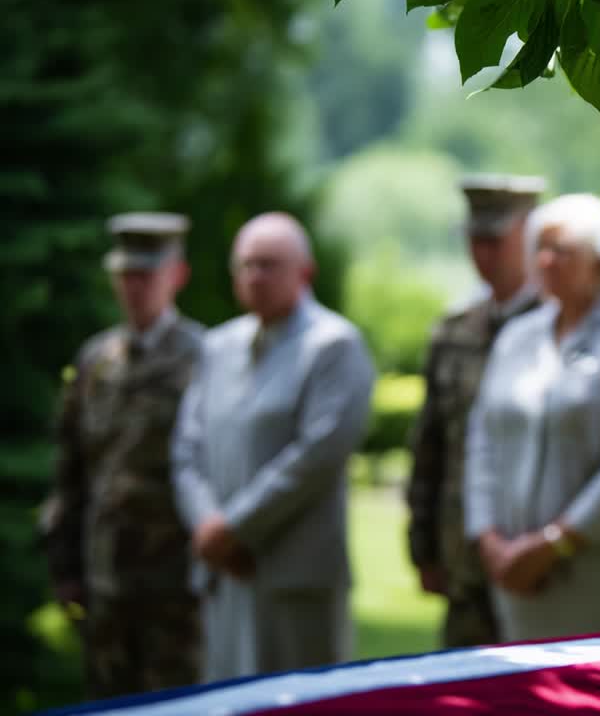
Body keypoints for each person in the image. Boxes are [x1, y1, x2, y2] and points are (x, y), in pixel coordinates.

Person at [172, 212, 374, 681]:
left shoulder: (334, 346)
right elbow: (187, 451)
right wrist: (208, 528)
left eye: (269, 264)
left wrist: (236, 528)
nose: (255, 276)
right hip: (224, 573)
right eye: (245, 265)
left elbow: (318, 456)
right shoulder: (218, 346)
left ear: (305, 272)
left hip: (293, 576)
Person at [464, 194, 600, 642]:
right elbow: (482, 441)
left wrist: (554, 544)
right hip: (514, 572)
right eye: (540, 247)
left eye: (562, 250)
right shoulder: (517, 336)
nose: (545, 260)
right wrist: (489, 541)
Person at [41, 212, 204, 698]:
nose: (134, 288)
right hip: (106, 581)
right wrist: (65, 566)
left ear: (176, 275)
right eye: (125, 276)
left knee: (179, 704)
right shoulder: (96, 362)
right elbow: (71, 469)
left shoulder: (206, 357)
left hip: (176, 587)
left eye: (146, 275)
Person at [407, 174, 545, 648]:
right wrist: (422, 545)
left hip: (536, 553)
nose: (482, 253)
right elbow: (430, 444)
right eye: (474, 239)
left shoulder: (559, 327)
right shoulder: (453, 331)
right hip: (463, 557)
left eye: (494, 240)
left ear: (529, 236)